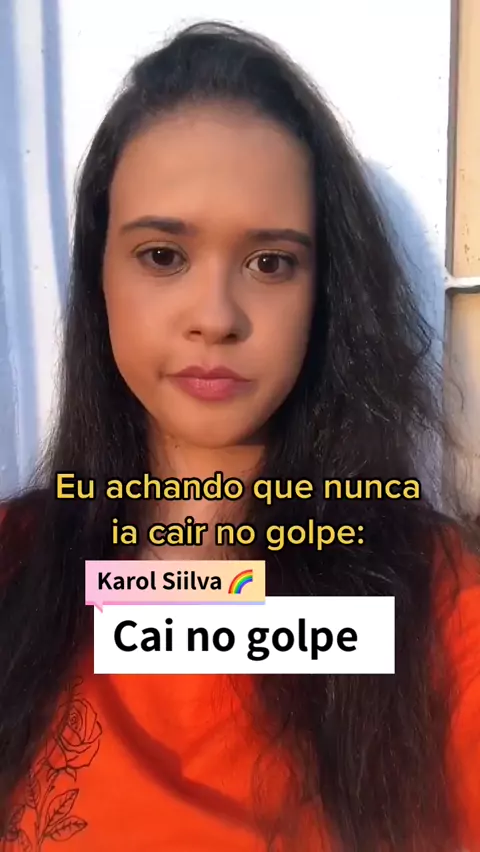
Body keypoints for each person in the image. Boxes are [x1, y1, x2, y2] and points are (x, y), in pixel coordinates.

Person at [0, 20, 479, 852]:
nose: (216, 317)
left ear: (325, 292)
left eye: (270, 263)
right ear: (99, 274)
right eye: (162, 256)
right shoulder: (15, 566)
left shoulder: (443, 613)